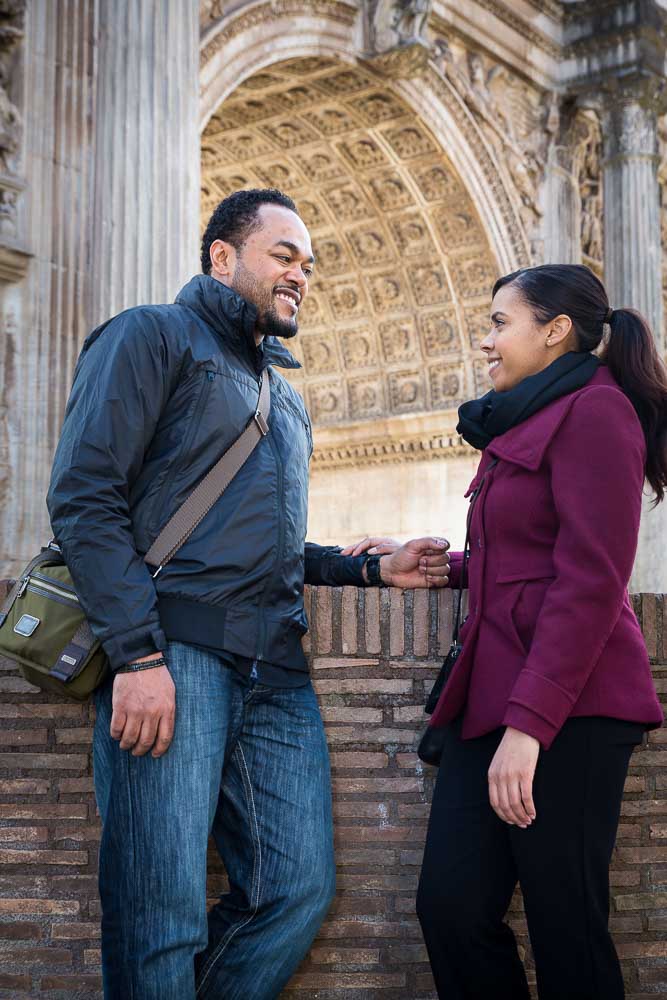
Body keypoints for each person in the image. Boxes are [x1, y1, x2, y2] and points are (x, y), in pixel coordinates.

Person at [46, 188, 450, 1000]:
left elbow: (260, 548)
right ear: (222, 258)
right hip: (175, 655)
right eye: (283, 255)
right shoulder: (148, 335)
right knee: (159, 916)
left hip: (275, 674)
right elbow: (86, 496)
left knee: (293, 892)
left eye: (308, 264)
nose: (300, 273)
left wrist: (367, 568)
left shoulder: (286, 402)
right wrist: (135, 653)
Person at [350, 264, 666, 999]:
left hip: (570, 711)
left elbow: (590, 579)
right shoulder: (526, 413)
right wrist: (440, 566)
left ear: (554, 330)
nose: (485, 340)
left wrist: (528, 729)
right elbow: (526, 550)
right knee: (450, 909)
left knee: (567, 928)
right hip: (491, 697)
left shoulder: (596, 412)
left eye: (500, 321)